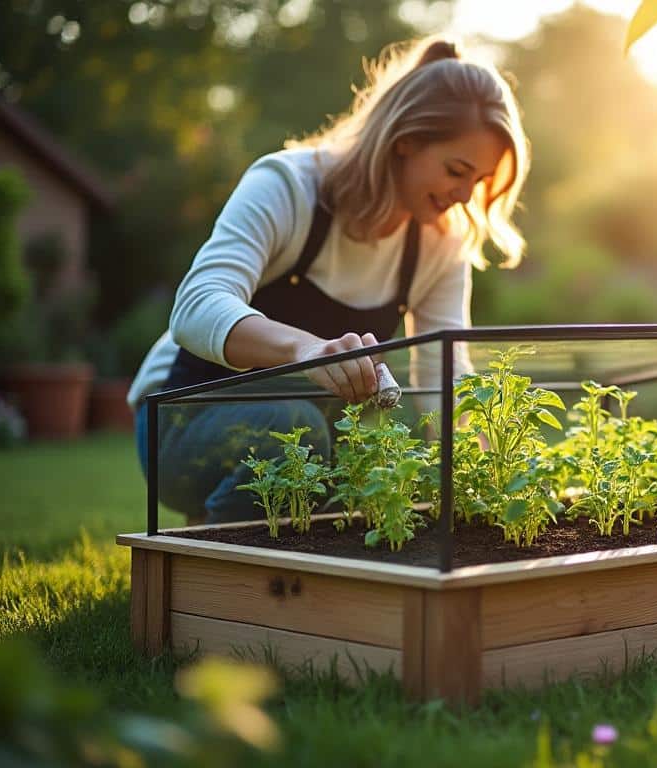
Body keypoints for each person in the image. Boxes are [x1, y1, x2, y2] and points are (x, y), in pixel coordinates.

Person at [127, 36, 530, 525]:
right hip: (181, 422)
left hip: (310, 438)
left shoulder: (441, 243)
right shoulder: (287, 186)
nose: (465, 195)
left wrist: (488, 473)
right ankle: (215, 574)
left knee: (373, 451)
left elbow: (446, 374)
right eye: (456, 170)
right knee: (293, 421)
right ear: (405, 141)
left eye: (479, 180)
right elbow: (196, 308)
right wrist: (304, 350)